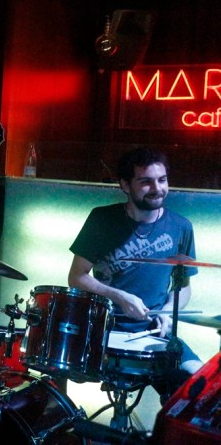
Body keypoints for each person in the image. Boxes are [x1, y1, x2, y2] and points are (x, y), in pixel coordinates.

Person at [69, 147, 202, 399]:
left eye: (162, 180)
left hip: (156, 332)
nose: (157, 188)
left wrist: (167, 313)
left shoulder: (181, 227)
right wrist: (120, 297)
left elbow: (183, 287)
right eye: (145, 182)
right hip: (107, 330)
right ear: (125, 185)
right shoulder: (102, 219)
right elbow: (77, 277)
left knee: (198, 386)